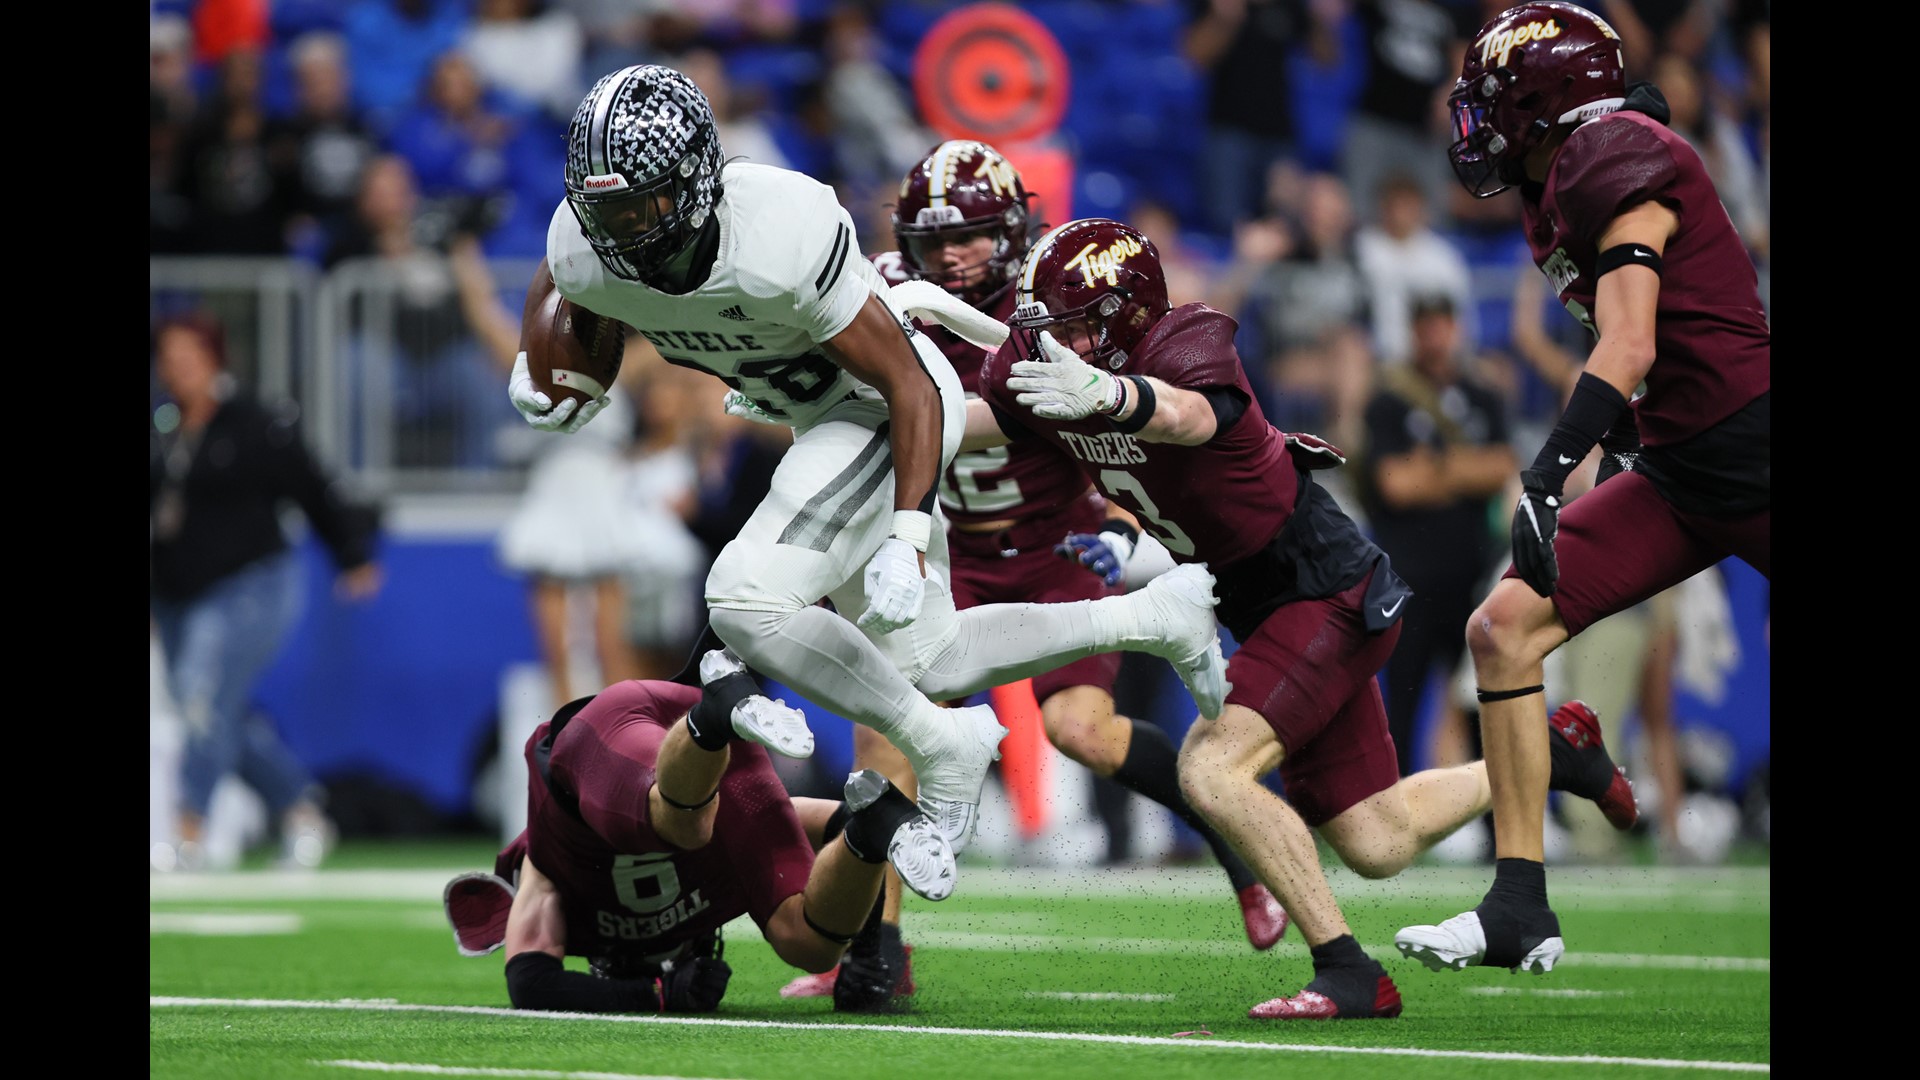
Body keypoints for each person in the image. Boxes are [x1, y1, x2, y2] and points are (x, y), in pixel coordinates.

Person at [506, 66, 1230, 880]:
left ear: (700, 178)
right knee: (931, 659)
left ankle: (941, 740)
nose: (627, 232)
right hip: (813, 416)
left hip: (877, 406)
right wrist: (545, 365)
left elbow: (911, 386)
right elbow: (566, 276)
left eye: (645, 206)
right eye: (606, 211)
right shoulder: (585, 243)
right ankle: (1157, 617)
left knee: (743, 598)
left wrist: (907, 537)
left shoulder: (778, 232)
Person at [943, 216, 1631, 1019]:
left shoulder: (1183, 345)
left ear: (1123, 319)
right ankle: (1555, 752)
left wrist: (1112, 396)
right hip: (1262, 600)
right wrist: (889, 411)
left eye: (1072, 329)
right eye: (1046, 330)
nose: (1053, 348)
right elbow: (976, 421)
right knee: (1378, 841)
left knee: (1211, 769)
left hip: (1319, 585)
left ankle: (1347, 970)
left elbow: (1186, 416)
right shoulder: (1059, 367)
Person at [780, 141, 1288, 1011]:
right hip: (946, 553)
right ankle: (877, 950)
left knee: (1082, 729)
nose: (952, 255)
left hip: (1058, 548)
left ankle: (1232, 841)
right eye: (936, 238)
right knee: (886, 734)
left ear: (1013, 230)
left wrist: (1126, 522)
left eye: (972, 235)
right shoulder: (885, 292)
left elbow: (1140, 423)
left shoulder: (1057, 302)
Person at [1396, 1, 1769, 975]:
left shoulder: (1614, 154)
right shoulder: (1561, 177)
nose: (1475, 124)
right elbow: (1639, 349)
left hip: (1753, 444)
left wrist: (1549, 470)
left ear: (1544, 100)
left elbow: (1632, 340)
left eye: (1491, 102)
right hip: (1682, 466)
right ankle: (1518, 903)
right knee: (1502, 627)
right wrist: (1617, 446)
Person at [442, 650, 958, 1012]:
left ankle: (714, 715)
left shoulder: (548, 876)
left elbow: (530, 984)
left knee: (683, 828)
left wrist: (655, 996)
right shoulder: (704, 883)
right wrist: (867, 949)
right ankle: (877, 826)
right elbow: (830, 821)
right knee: (809, 944)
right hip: (714, 767)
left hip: (608, 732)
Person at [150, 312, 383, 872]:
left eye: (190, 355)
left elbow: (312, 484)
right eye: (169, 358)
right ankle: (301, 809)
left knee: (203, 695)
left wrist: (351, 554)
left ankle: (188, 832)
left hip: (249, 583)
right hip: (177, 594)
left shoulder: (253, 421)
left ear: (214, 358)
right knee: (213, 710)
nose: (179, 368)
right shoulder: (164, 428)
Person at [1359, 294, 1514, 777]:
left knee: (1480, 702)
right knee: (1403, 705)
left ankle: (1493, 812)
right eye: (1425, 327)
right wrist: (1464, 471)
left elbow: (1501, 467)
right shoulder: (1389, 400)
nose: (1434, 337)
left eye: (1442, 325)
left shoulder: (1482, 395)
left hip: (1471, 576)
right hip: (1410, 580)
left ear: (1456, 328)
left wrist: (1436, 468)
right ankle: (1399, 808)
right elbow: (1395, 484)